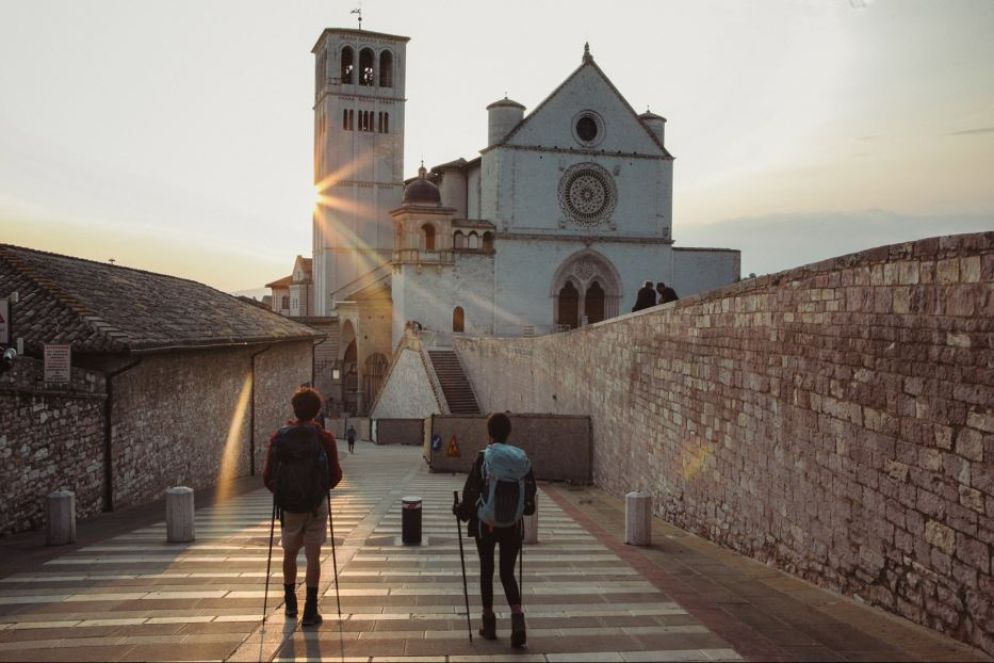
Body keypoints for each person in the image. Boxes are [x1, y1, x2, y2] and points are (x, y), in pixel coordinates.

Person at [453, 412, 536, 647]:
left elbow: (472, 492)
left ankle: (488, 625)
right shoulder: (521, 459)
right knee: (507, 573)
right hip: (513, 525)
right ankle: (518, 623)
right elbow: (530, 497)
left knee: (486, 570)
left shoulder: (484, 457)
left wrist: (461, 510)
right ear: (508, 433)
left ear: (489, 433)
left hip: (486, 524)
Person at [263, 387, 343, 626]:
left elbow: (268, 476)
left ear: (294, 409)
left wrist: (284, 493)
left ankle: (290, 603)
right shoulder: (324, 438)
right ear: (317, 411)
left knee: (289, 553)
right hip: (316, 505)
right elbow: (336, 475)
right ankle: (310, 609)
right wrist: (319, 489)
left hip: (289, 506)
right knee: (313, 556)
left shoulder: (279, 437)